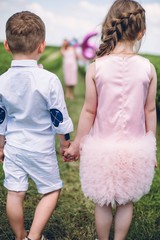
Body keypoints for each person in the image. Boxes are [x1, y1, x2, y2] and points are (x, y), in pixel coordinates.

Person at [64, 0, 157, 239]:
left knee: (103, 202)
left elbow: (88, 112)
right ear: (142, 31)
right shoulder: (148, 68)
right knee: (126, 201)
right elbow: (149, 111)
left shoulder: (97, 67)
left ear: (109, 26)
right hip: (135, 149)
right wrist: (151, 147)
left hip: (101, 148)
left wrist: (76, 144)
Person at [0, 11, 74, 240]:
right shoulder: (49, 80)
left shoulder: (1, 81)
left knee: (15, 192)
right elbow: (58, 116)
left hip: (14, 147)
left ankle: (20, 236)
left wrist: (1, 145)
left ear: (6, 45)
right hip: (40, 149)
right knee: (52, 189)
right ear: (42, 46)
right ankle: (34, 237)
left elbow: (1, 118)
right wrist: (65, 144)